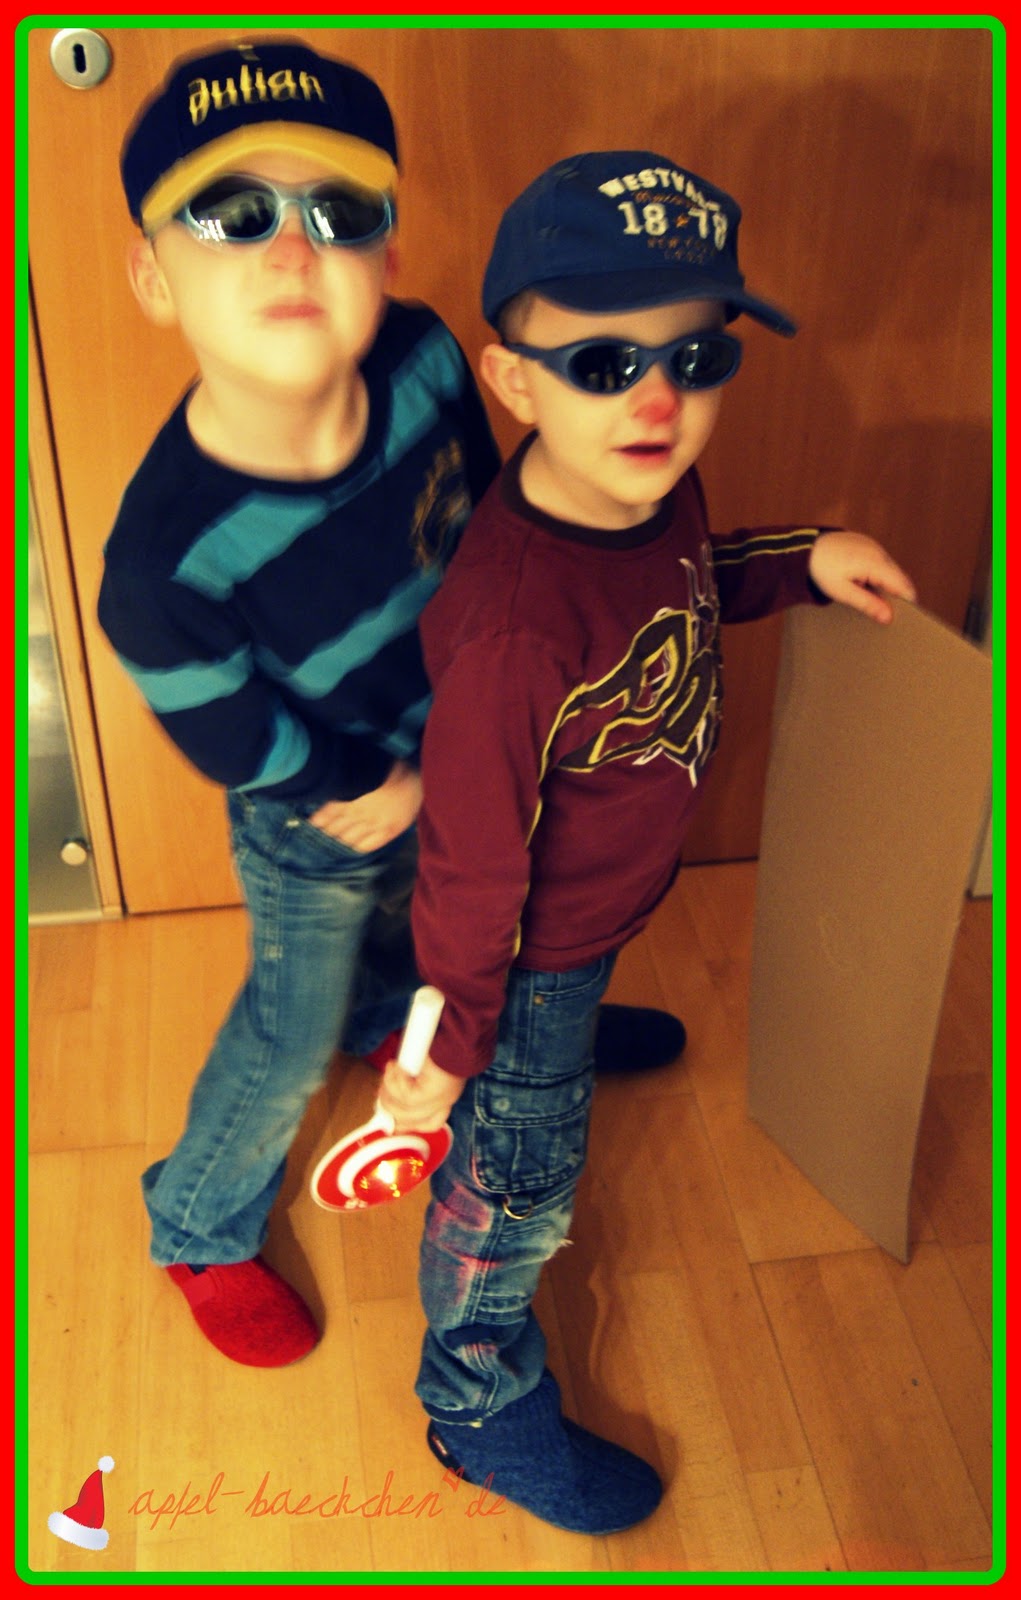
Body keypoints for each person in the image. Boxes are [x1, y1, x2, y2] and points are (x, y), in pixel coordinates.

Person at [373, 152, 918, 1535]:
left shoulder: (639, 485)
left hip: (599, 903)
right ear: (514, 382)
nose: (660, 400)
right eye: (605, 362)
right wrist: (452, 1047)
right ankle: (472, 1397)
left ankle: (552, 1041)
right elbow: (473, 877)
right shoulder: (513, 626)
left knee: (564, 1011)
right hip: (521, 947)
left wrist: (803, 559)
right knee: (518, 1180)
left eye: (695, 354)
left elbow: (686, 584)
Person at [96, 37, 506, 1370]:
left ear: (386, 254)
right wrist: (352, 784)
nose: (291, 248)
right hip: (312, 808)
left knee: (435, 924)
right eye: (233, 214)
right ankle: (197, 1223)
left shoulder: (428, 360)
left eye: (340, 212)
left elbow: (494, 524)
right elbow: (218, 724)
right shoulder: (164, 561)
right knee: (288, 1034)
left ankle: (411, 1018)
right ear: (154, 277)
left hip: (460, 746)